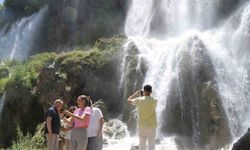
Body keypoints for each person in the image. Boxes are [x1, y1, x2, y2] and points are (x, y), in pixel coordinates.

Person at [127, 85, 157, 150]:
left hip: (142, 126)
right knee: (151, 145)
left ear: (144, 91)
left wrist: (136, 94)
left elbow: (128, 100)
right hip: (152, 126)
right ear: (151, 91)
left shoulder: (139, 100)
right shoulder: (155, 100)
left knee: (142, 146)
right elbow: (149, 99)